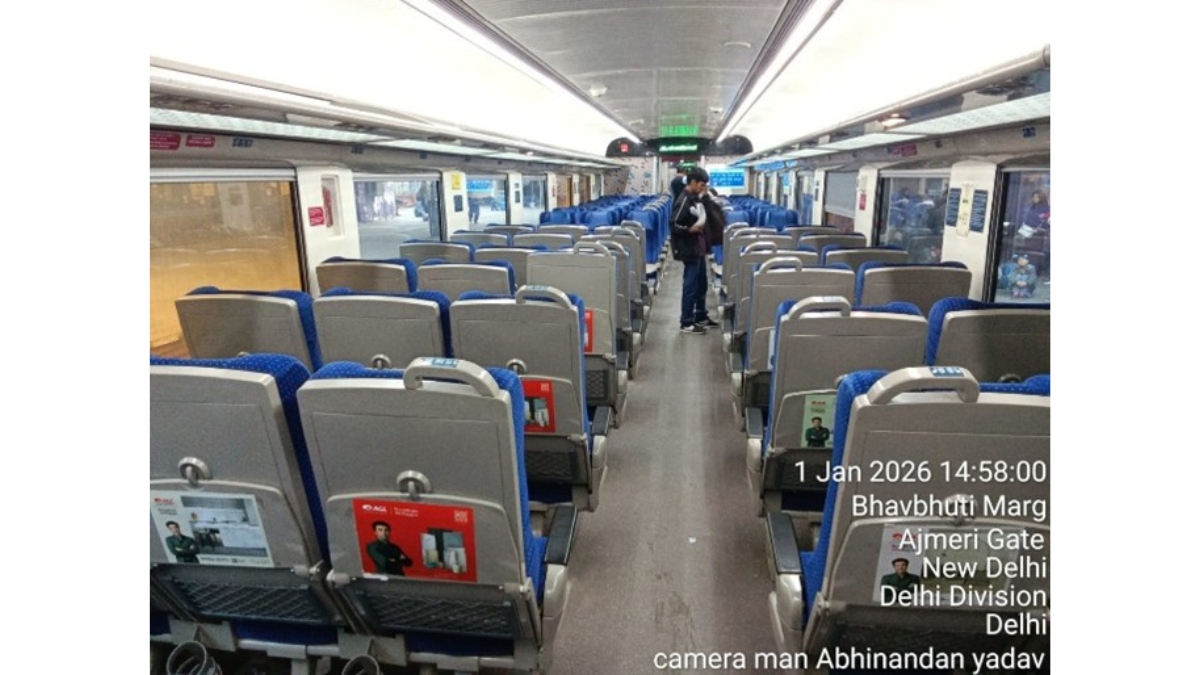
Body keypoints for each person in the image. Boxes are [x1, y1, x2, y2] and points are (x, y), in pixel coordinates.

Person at [671, 168, 725, 334]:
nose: (703, 188)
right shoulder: (684, 200)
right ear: (693, 182)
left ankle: (700, 315)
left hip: (699, 248)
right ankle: (686, 322)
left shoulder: (696, 199)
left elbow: (710, 213)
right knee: (690, 286)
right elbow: (674, 225)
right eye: (702, 185)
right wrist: (689, 229)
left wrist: (706, 196)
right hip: (690, 249)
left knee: (701, 285)